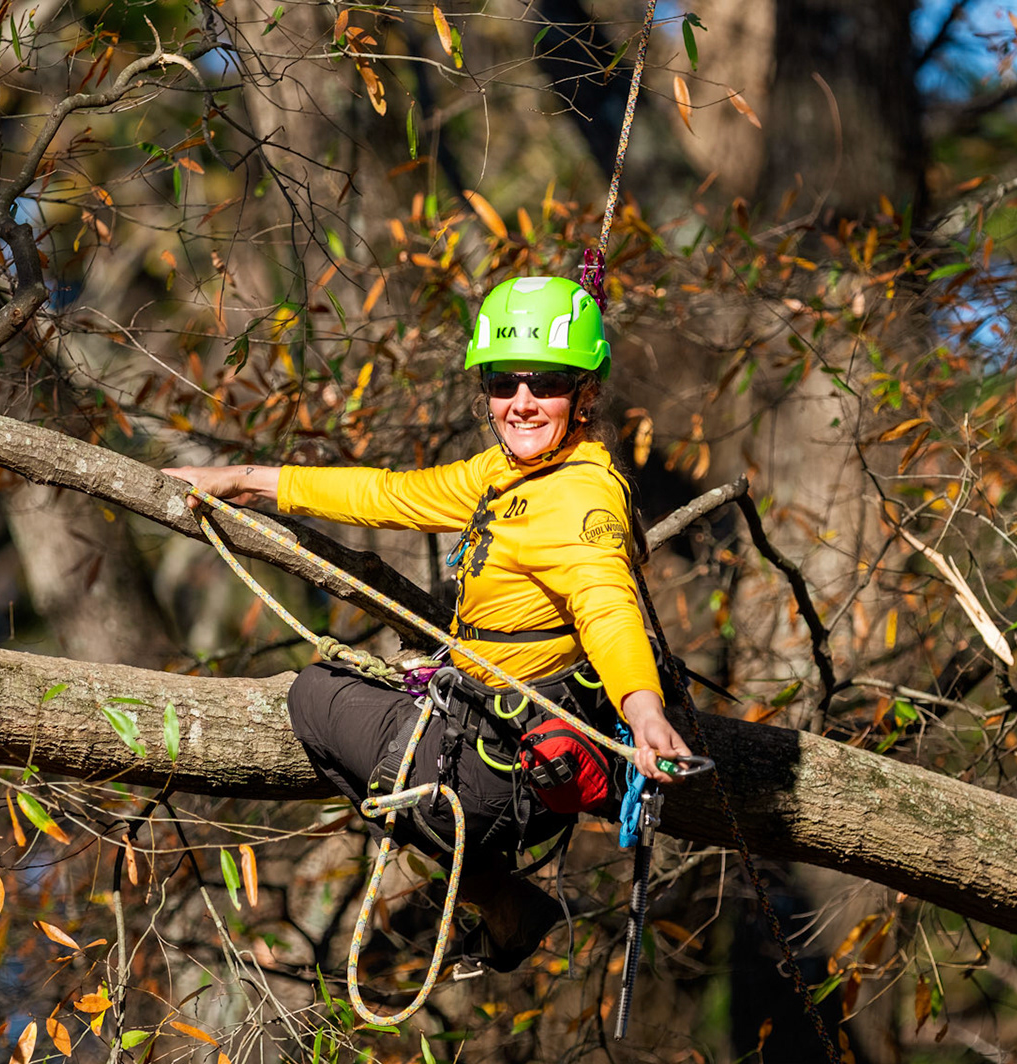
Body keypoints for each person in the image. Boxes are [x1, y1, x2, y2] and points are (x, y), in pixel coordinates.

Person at [166, 275, 693, 970]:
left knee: (314, 694)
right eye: (505, 383)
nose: (523, 403)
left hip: (494, 773)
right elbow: (388, 494)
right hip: (501, 755)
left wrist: (645, 710)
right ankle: (501, 896)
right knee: (368, 698)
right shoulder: (505, 476)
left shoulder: (577, 496)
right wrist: (243, 479)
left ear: (585, 394)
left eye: (548, 383)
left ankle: (494, 891)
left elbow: (606, 602)